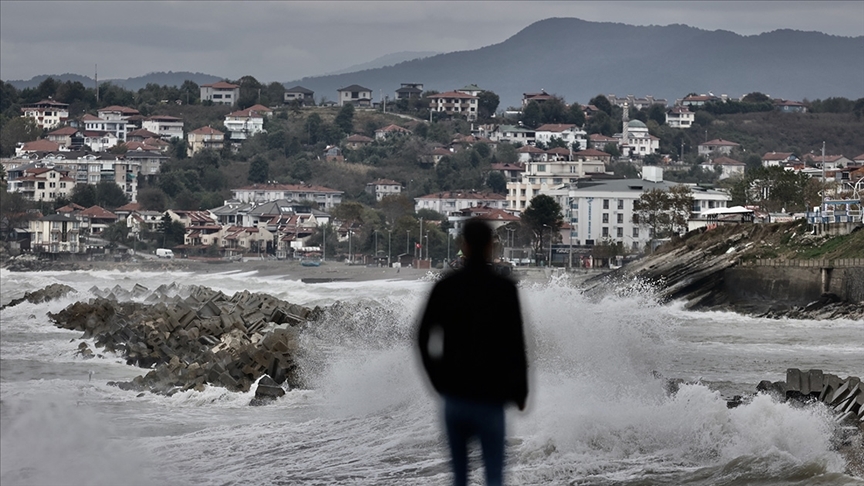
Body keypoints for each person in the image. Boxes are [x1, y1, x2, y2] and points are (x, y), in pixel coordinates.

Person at [417, 218, 528, 486]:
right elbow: (515, 343)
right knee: (493, 477)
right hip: (491, 397)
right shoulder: (505, 289)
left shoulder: (445, 287)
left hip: (455, 396)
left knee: (460, 478)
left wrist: (437, 381)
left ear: (463, 245)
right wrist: (520, 390)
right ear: (492, 245)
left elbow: (422, 337)